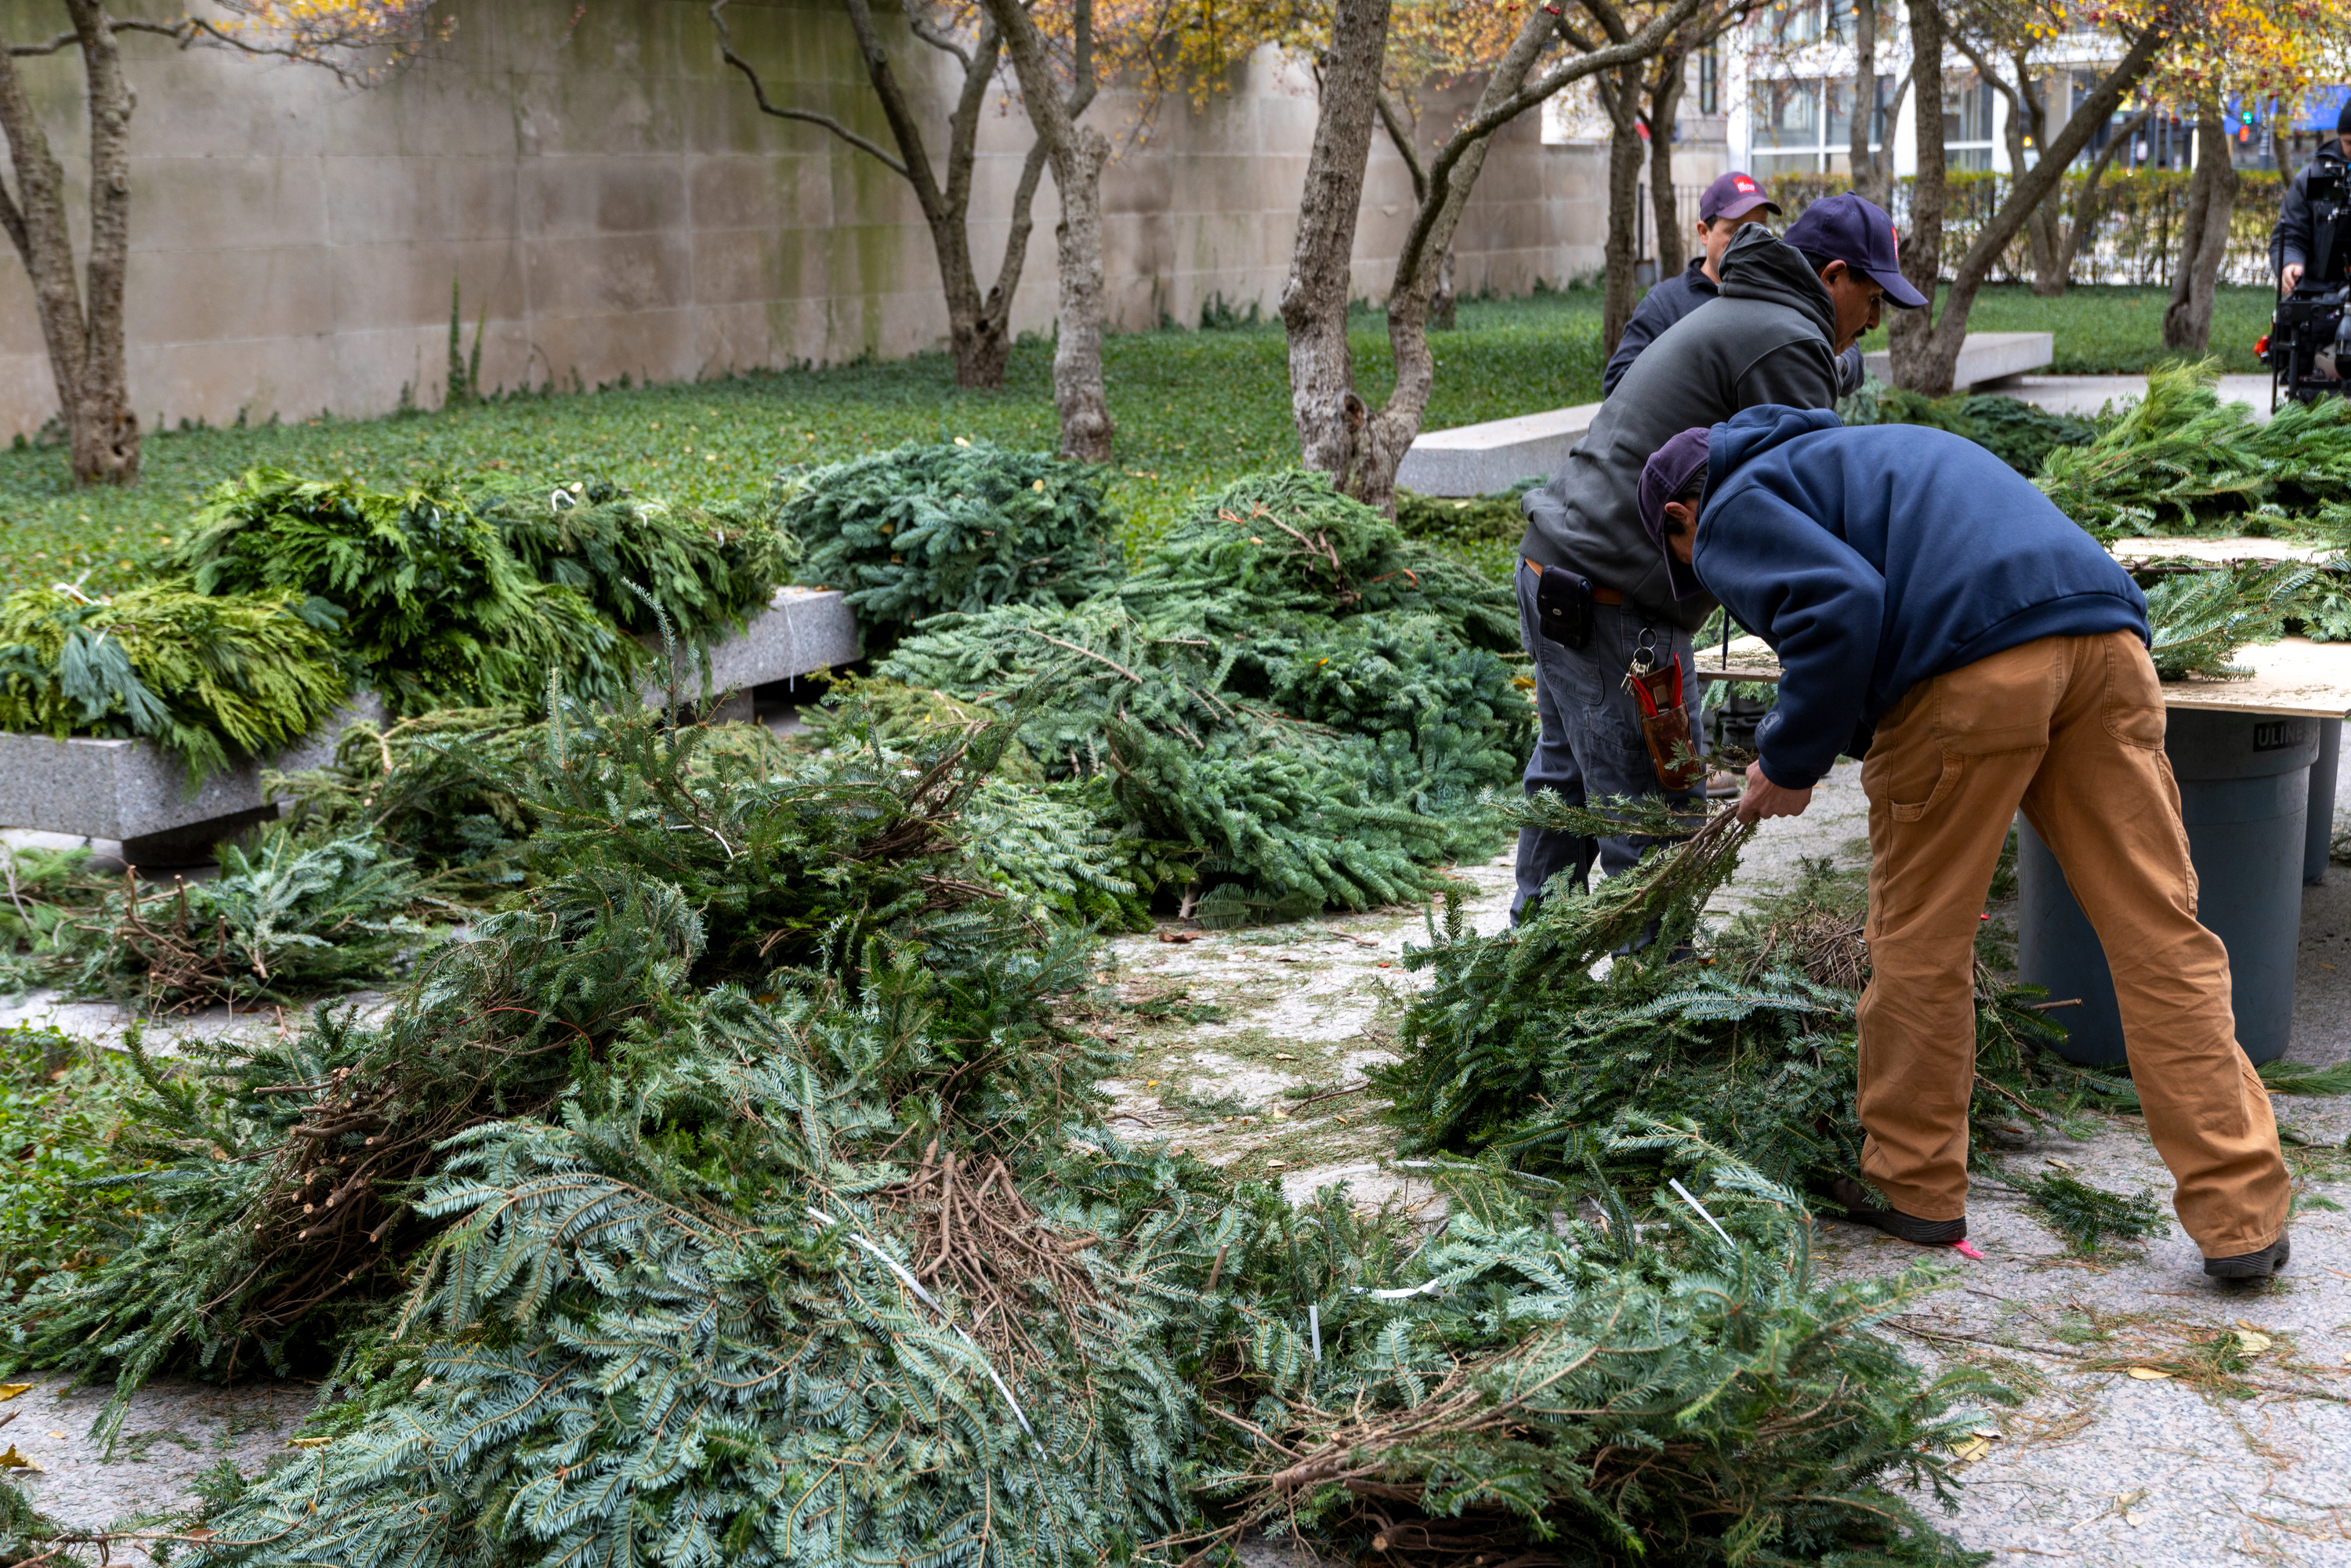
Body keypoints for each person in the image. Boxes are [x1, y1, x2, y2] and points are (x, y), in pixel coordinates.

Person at [1634, 406, 2293, 1279]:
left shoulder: (1726, 505)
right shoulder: (1858, 454)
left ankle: (1912, 1186)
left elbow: (1838, 608)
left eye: (1689, 565)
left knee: (1920, 945)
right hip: (2105, 644)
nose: (1709, 579)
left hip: (1972, 673)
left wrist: (1788, 761)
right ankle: (2242, 1215)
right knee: (2160, 935)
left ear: (1679, 516)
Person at [1510, 192, 1923, 923]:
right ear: (1832, 276)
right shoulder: (1788, 341)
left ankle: (1530, 981)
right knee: (1656, 822)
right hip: (1614, 606)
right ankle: (1656, 1013)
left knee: (1567, 792)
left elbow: (1836, 374)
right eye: (1874, 294)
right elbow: (1808, 529)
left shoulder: (1749, 313)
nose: (1876, 319)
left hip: (1556, 570)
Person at [1603, 173, 1864, 399]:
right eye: (1737, 230)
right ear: (1703, 232)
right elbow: (1618, 382)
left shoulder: (1783, 292)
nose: (1751, 241)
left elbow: (1849, 352)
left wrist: (1825, 364)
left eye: (1760, 229)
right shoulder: (1665, 303)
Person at [2271, 100, 2351, 295]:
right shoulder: (2316, 177)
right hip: (2319, 295)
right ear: (2339, 137)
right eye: (2349, 143)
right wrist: (2289, 263)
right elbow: (2290, 233)